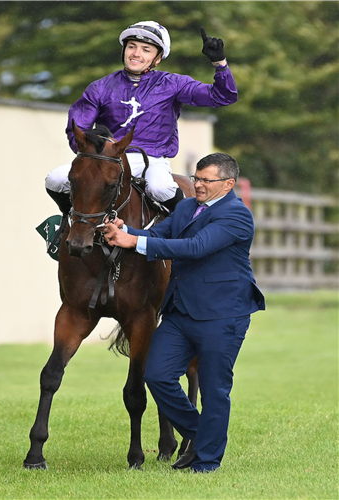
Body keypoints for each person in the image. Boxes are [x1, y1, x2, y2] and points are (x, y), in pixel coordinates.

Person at [102, 152, 265, 472]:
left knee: (214, 390)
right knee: (156, 375)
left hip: (222, 314)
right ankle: (200, 435)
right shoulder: (187, 207)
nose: (198, 185)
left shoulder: (236, 215)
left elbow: (196, 247)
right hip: (180, 312)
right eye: (196, 178)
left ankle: (205, 462)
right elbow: (159, 236)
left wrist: (133, 243)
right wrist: (129, 232)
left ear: (228, 183)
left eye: (206, 180)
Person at [45, 21, 238, 218]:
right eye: (131, 47)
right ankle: (72, 222)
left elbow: (224, 96)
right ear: (124, 50)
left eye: (146, 49)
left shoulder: (173, 84)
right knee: (55, 180)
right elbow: (77, 129)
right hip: (107, 158)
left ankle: (189, 226)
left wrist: (220, 64)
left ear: (158, 57)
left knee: (160, 188)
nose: (136, 54)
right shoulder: (100, 87)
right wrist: (93, 156)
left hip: (151, 160)